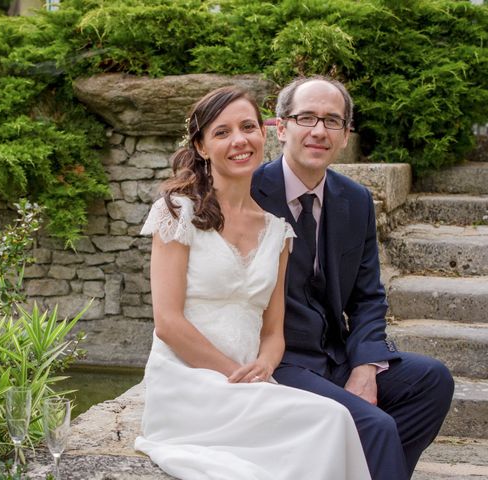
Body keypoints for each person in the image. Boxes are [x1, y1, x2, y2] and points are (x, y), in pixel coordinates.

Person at [134, 86, 372, 480]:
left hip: (250, 379)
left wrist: (263, 364)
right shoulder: (177, 212)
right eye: (222, 132)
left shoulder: (278, 232)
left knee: (334, 421)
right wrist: (234, 374)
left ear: (265, 133)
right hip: (189, 382)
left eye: (247, 127)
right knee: (328, 423)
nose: (239, 140)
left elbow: (273, 331)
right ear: (202, 146)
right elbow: (168, 322)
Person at [251, 75, 455, 480]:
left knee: (432, 380)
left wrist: (365, 365)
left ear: (345, 135)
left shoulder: (355, 199)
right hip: (277, 360)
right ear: (281, 128)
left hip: (336, 355)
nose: (318, 131)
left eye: (332, 121)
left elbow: (367, 297)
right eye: (306, 117)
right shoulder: (250, 192)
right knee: (376, 427)